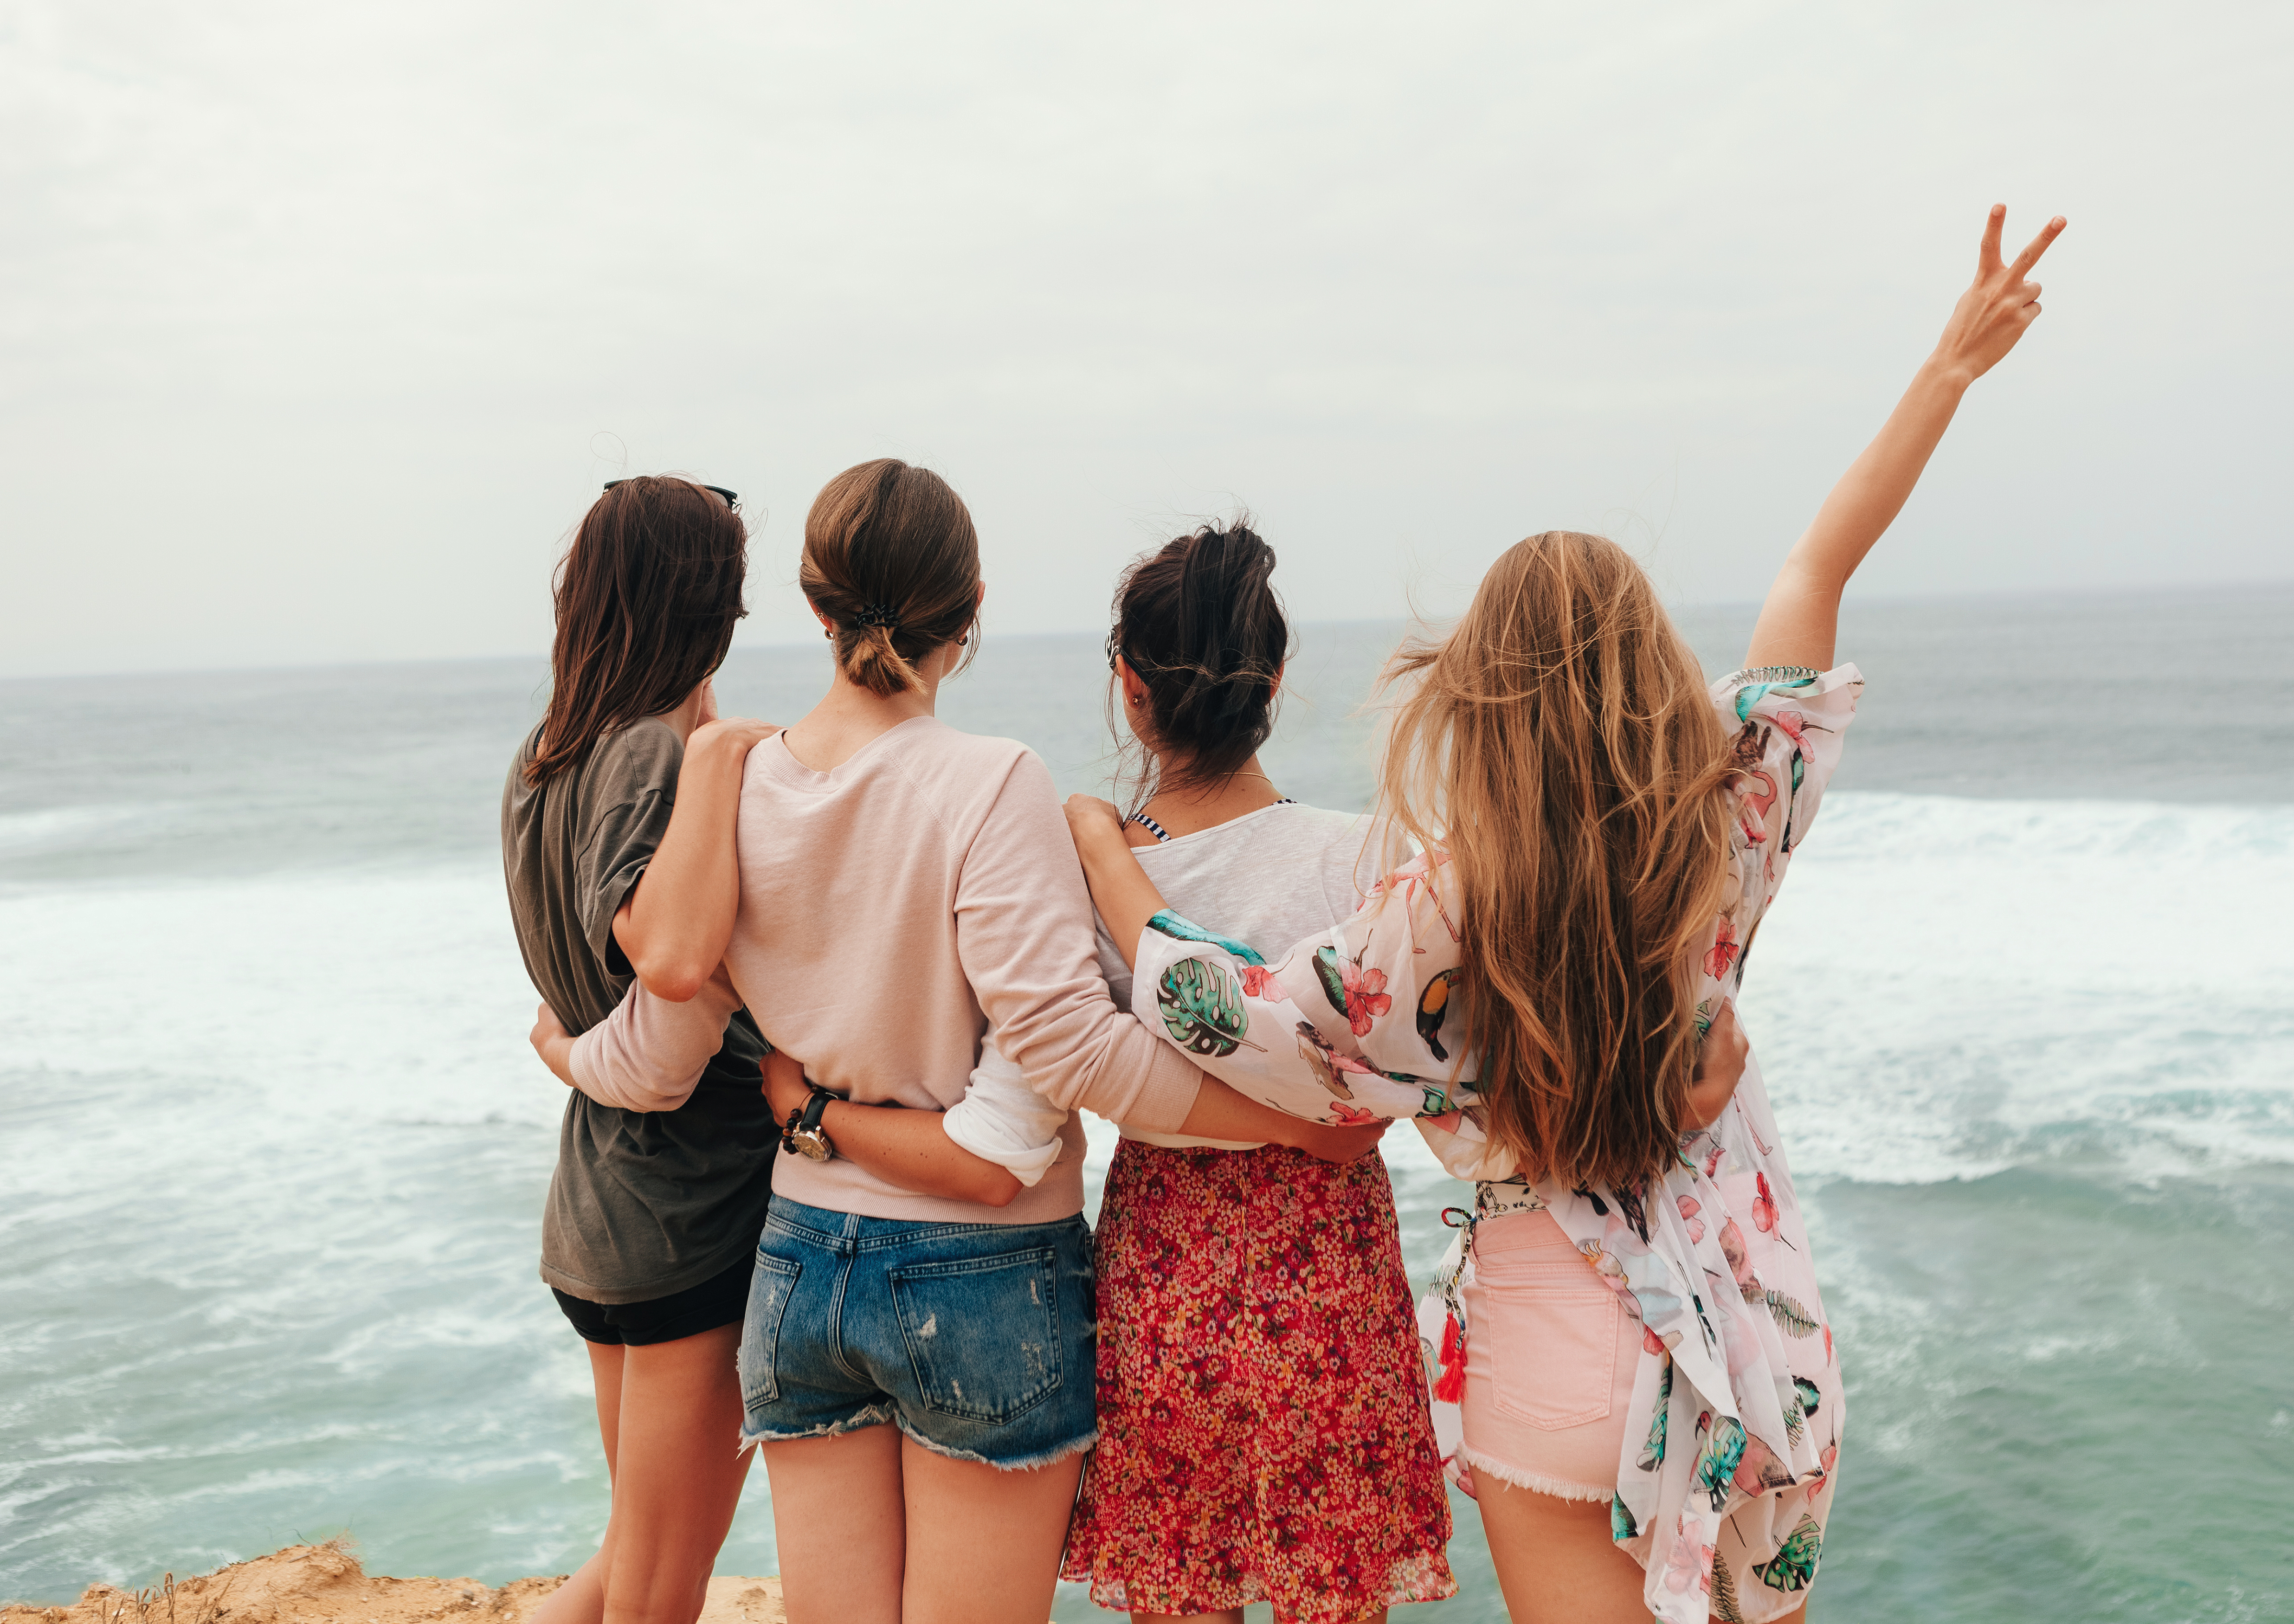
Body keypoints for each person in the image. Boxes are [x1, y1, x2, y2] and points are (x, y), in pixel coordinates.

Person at [1065, 204, 2066, 1624]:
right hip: (1724, 1335)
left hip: (1542, 1338)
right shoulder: (1723, 819)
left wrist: (1109, 860)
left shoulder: (1440, 907)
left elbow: (1230, 1009)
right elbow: (1815, 573)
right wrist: (1945, 375)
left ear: (1481, 693)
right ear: (1650, 656)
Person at [532, 459, 1384, 1624]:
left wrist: (571, 1055)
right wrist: (1287, 1121)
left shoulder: (732, 783)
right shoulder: (995, 784)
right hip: (978, 1274)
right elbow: (1066, 1055)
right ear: (972, 606)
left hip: (799, 1260)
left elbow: (663, 1043)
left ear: (816, 604)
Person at [1057, 523, 1458, 1624]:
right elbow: (1371, 1092)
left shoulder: (1092, 869)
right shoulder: (1361, 855)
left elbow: (1077, 1062)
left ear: (1129, 688)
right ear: (1275, 681)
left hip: (1164, 1260)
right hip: (1324, 1256)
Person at [499, 474, 784, 1624]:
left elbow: (580, 973)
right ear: (701, 606)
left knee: (634, 1556)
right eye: (732, 594)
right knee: (662, 1588)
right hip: (692, 1208)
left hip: (603, 1203)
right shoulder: (654, 757)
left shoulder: (544, 755)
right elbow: (659, 953)